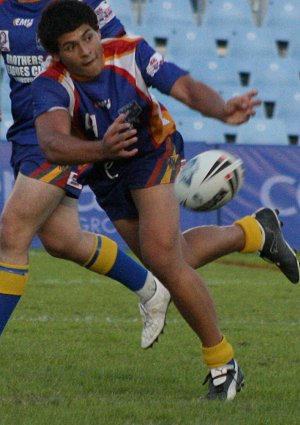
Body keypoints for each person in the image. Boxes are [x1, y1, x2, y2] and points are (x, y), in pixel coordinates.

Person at [33, 0, 299, 400]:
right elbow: (52, 143)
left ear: (97, 30)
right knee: (176, 257)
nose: (86, 51)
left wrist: (222, 110)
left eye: (89, 37)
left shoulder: (131, 51)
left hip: (151, 151)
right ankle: (255, 231)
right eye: (71, 46)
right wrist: (102, 150)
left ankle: (223, 364)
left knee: (162, 259)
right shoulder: (50, 83)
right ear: (57, 54)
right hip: (102, 170)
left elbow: (186, 86)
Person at [0, 0, 172, 350]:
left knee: (11, 232)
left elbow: (121, 57)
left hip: (67, 132)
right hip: (25, 130)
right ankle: (151, 290)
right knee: (62, 240)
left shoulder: (81, 6)